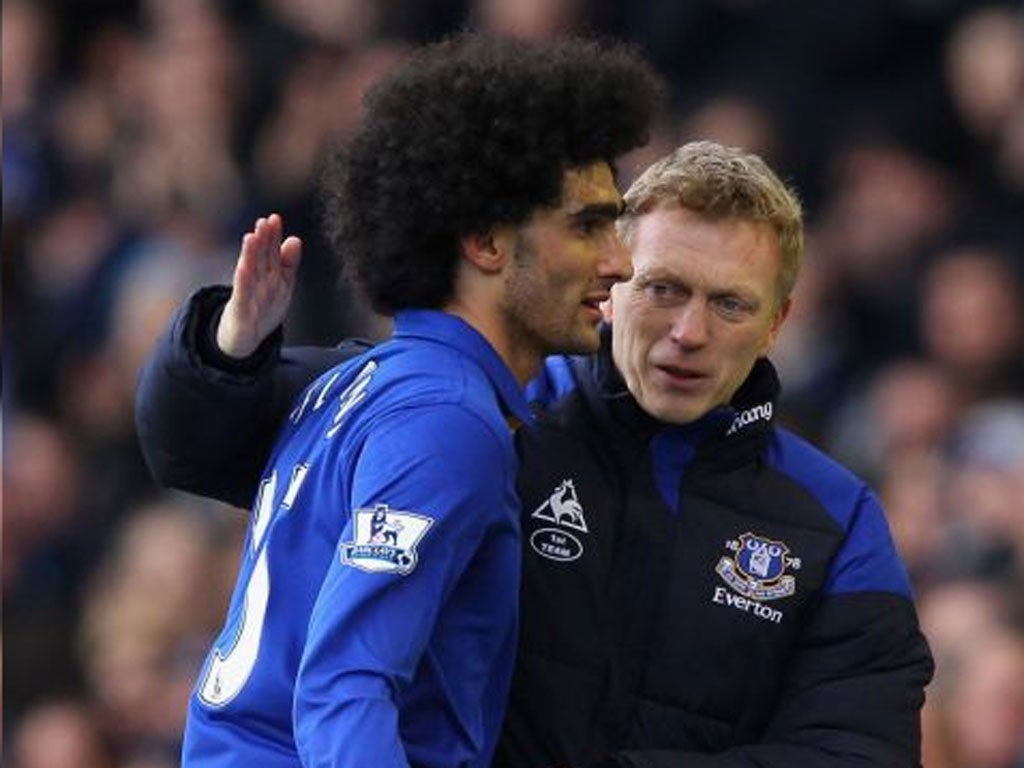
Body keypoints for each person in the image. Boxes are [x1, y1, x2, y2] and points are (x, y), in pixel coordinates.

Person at [136, 141, 933, 767]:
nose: (689, 333)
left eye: (729, 304)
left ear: (778, 320)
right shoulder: (469, 410)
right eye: (664, 289)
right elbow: (201, 448)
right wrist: (229, 349)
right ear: (610, 280)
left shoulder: (837, 523)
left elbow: (859, 751)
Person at [137, 33, 662, 768]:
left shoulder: (364, 386)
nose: (621, 261)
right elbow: (343, 690)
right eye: (586, 225)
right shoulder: (446, 422)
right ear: (484, 241)